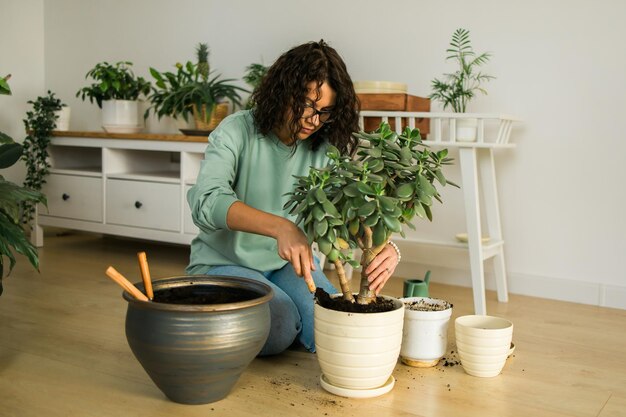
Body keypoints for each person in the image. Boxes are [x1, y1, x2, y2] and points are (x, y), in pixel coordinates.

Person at [186, 40, 399, 356]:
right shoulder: (236, 130)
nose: (313, 120)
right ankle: (210, 310)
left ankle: (279, 321)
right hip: (223, 263)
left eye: (324, 112)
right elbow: (206, 201)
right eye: (306, 105)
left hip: (286, 266)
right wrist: (281, 227)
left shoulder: (325, 148)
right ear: (282, 90)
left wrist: (389, 247)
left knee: (336, 323)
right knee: (281, 327)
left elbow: (344, 218)